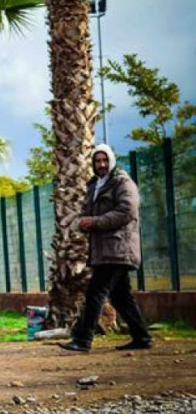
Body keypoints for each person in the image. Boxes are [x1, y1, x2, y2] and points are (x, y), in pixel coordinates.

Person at [60, 144, 152, 353]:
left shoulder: (122, 182)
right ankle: (142, 337)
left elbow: (127, 211)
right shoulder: (95, 185)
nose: (101, 164)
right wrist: (81, 222)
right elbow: (87, 212)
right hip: (104, 249)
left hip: (118, 248)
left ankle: (82, 340)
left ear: (111, 161)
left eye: (104, 160)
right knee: (120, 296)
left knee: (95, 292)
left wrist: (95, 222)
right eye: (97, 161)